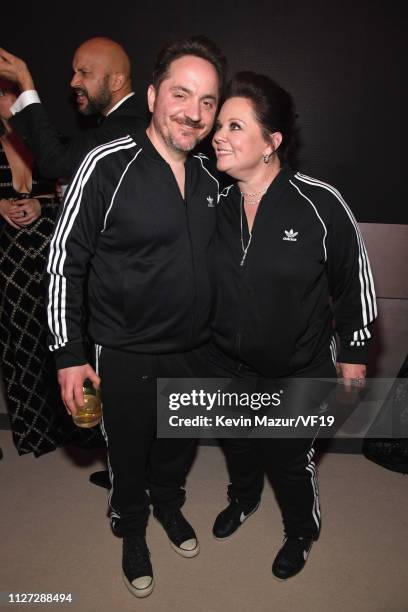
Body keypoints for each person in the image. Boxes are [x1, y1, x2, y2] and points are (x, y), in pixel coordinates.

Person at [46, 36, 226, 598]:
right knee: (127, 451)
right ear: (151, 95)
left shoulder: (214, 178)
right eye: (181, 94)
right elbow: (63, 261)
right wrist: (69, 355)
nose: (193, 113)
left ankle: (168, 505)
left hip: (196, 349)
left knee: (177, 445)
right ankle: (131, 528)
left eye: (208, 101)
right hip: (123, 349)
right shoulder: (107, 163)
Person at [209, 71, 377, 580]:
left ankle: (301, 531)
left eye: (235, 126)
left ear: (271, 142)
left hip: (298, 366)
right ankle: (243, 499)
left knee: (287, 457)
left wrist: (354, 351)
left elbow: (356, 280)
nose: (219, 135)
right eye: (219, 125)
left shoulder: (319, 203)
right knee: (236, 442)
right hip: (226, 360)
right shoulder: (211, 200)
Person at [0, 78, 85, 456]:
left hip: (45, 254)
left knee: (54, 340)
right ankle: (33, 432)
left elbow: (71, 195)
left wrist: (41, 204)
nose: (7, 101)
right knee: (17, 346)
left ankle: (70, 430)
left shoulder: (47, 143)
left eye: (11, 94)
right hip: (7, 259)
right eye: (3, 95)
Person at [0, 37, 147, 179]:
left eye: (84, 72)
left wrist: (24, 81)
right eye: (74, 73)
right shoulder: (129, 118)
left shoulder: (126, 126)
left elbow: (55, 162)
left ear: (116, 82)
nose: (73, 82)